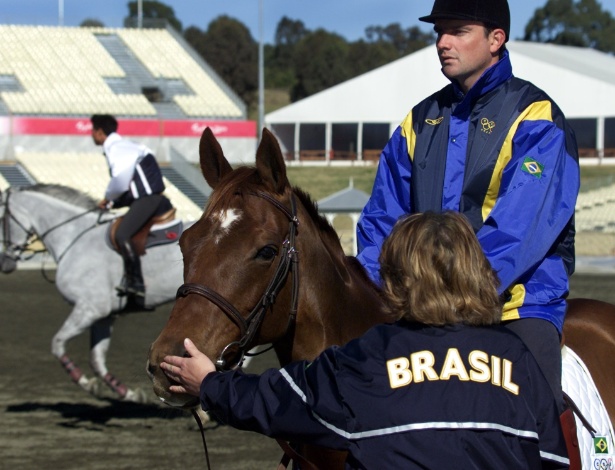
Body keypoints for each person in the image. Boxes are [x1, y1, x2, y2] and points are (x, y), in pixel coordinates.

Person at [160, 212, 570, 469]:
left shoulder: (368, 359)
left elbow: (272, 400)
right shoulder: (517, 358)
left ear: (394, 279)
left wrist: (209, 383)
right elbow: (551, 459)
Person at [355, 0, 580, 417]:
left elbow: (520, 232)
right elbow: (379, 224)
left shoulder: (537, 119)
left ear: (496, 39)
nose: (442, 43)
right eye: (439, 31)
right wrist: (386, 291)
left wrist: (451, 297)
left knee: (538, 429)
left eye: (458, 31)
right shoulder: (417, 121)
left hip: (516, 307)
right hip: (419, 308)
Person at [91, 114, 171, 308]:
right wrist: (111, 204)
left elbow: (119, 181)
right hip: (147, 198)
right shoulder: (125, 146)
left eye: (93, 131)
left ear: (100, 133)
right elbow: (129, 189)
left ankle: (136, 284)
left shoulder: (117, 149)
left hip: (148, 199)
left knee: (122, 234)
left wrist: (108, 197)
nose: (91, 135)